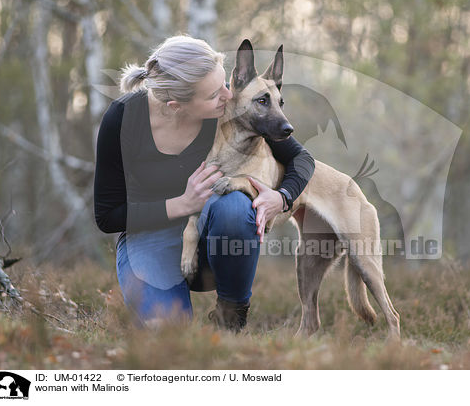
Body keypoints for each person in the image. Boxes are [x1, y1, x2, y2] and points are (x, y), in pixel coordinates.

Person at [93, 35, 315, 331]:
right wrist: (181, 204)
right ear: (175, 106)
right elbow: (107, 216)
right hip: (149, 241)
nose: (227, 95)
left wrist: (282, 197)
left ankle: (231, 315)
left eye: (225, 83)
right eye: (214, 94)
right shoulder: (123, 120)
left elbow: (302, 158)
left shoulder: (229, 110)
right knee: (169, 333)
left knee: (234, 205)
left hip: (214, 240)